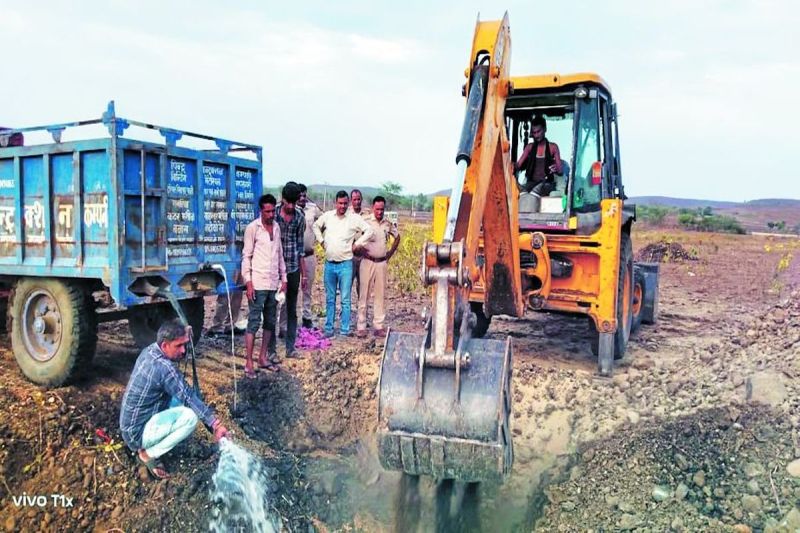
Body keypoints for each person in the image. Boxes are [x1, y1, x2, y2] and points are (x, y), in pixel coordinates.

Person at [120, 319, 229, 480]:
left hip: (130, 426)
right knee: (190, 417)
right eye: (178, 346)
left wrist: (184, 334)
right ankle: (147, 454)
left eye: (184, 344)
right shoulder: (165, 368)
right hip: (138, 434)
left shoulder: (150, 351)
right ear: (164, 345)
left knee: (180, 401)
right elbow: (188, 396)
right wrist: (215, 424)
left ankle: (149, 444)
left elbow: (183, 393)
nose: (183, 350)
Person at [313, 190, 374, 338]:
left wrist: (358, 244)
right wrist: (321, 241)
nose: (343, 206)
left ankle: (345, 329)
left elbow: (369, 230)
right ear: (336, 203)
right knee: (330, 298)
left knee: (346, 299)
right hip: (329, 264)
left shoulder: (353, 218)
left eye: (345, 203)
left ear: (348, 203)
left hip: (346, 264)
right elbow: (315, 226)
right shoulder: (328, 216)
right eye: (340, 203)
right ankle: (329, 328)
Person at [242, 194, 287, 376]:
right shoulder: (253, 228)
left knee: (270, 322)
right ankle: (248, 362)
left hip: (272, 283)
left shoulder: (276, 228)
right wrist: (249, 283)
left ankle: (262, 358)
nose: (270, 215)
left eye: (272, 211)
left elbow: (280, 255)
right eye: (267, 211)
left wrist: (283, 279)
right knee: (254, 322)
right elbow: (246, 257)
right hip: (258, 283)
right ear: (261, 210)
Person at [356, 196, 401, 338]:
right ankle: (361, 325)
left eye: (382, 209)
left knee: (380, 295)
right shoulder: (365, 222)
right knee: (364, 294)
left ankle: (378, 326)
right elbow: (356, 239)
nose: (379, 212)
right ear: (373, 207)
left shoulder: (387, 224)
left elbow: (397, 237)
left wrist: (390, 253)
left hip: (381, 263)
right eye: (377, 209)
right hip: (367, 262)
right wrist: (360, 250)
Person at [275, 182, 306, 357]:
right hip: (275, 270)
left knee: (292, 309)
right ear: (283, 199)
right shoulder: (273, 216)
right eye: (289, 203)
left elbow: (300, 247)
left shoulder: (299, 218)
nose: (292, 207)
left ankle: (290, 348)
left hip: (293, 268)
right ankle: (270, 350)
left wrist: (304, 276)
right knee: (271, 307)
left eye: (294, 203)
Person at [514, 115, 563, 196]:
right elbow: (518, 165)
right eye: (534, 132)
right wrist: (511, 166)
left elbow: (560, 171)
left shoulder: (553, 147)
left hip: (547, 183)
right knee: (520, 192)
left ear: (545, 129)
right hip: (531, 183)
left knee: (538, 190)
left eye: (538, 131)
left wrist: (556, 168)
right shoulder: (529, 147)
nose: (536, 135)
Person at [298, 183, 323, 329]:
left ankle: (306, 316)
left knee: (307, 287)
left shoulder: (312, 209)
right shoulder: (290, 211)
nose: (302, 198)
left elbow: (324, 222)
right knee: (293, 288)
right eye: (299, 195)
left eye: (304, 195)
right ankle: (291, 317)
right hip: (293, 257)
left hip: (308, 255)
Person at [348, 188, 370, 300]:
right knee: (347, 284)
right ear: (351, 200)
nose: (357, 202)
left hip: (363, 257)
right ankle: (345, 312)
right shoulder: (346, 214)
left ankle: (362, 311)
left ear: (361, 199)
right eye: (354, 199)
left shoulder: (368, 215)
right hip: (349, 256)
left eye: (359, 199)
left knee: (362, 286)